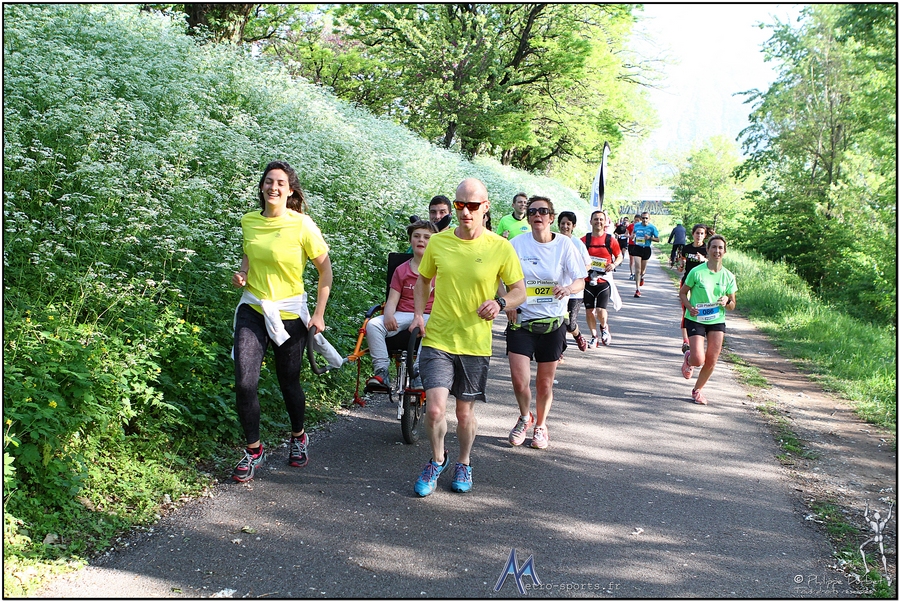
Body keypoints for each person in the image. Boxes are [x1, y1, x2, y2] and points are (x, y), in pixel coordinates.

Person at [409, 178, 525, 497]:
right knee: (434, 410)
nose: (465, 211)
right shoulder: (439, 242)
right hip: (438, 339)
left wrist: (500, 303)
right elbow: (423, 282)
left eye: (473, 205)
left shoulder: (500, 247)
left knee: (464, 414)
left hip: (474, 343)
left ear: (485, 207)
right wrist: (418, 314)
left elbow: (519, 291)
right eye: (460, 204)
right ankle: (437, 459)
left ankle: (464, 461)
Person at [230, 160, 333, 482]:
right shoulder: (249, 221)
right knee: (245, 382)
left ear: (290, 191)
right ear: (262, 186)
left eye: (280, 183)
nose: (273, 187)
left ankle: (299, 435)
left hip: (289, 314)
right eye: (269, 181)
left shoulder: (302, 225)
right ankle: (254, 449)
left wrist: (318, 314)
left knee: (289, 382)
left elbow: (325, 271)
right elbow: (250, 253)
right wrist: (243, 272)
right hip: (254, 307)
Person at [506, 197, 587, 449]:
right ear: (528, 217)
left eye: (543, 211)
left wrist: (568, 289)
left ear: (551, 217)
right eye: (532, 211)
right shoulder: (516, 244)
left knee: (544, 384)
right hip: (521, 320)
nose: (537, 215)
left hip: (552, 323)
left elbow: (580, 279)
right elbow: (499, 276)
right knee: (519, 381)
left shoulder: (564, 244)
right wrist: (508, 302)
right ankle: (524, 417)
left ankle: (541, 425)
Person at [365, 220, 438, 389]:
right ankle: (382, 370)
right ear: (410, 240)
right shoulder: (401, 270)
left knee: (434, 325)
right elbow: (392, 300)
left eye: (427, 237)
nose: (421, 240)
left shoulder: (439, 270)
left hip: (429, 315)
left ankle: (418, 372)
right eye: (416, 236)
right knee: (373, 325)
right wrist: (388, 315)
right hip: (403, 313)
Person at [679, 234, 737, 405]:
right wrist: (689, 307)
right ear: (707, 249)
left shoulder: (728, 276)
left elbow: (733, 304)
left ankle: (697, 390)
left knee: (712, 359)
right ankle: (689, 358)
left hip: (716, 320)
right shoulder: (697, 272)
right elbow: (683, 293)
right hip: (696, 318)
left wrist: (727, 301)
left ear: (724, 251)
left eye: (720, 248)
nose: (717, 251)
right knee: (698, 359)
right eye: (714, 247)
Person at [580, 211, 623, 347]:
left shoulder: (610, 240)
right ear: (591, 221)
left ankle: (604, 327)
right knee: (589, 311)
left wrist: (613, 265)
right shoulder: (584, 240)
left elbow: (619, 256)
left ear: (605, 223)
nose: (598, 222)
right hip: (587, 281)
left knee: (600, 310)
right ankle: (594, 336)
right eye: (595, 219)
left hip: (604, 281)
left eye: (601, 219)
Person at [557, 211, 590, 353]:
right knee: (558, 322)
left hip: (575, 292)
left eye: (568, 224)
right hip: (558, 289)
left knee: (570, 324)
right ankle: (559, 351)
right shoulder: (554, 240)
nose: (565, 226)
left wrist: (576, 274)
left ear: (573, 226)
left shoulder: (578, 243)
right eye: (562, 223)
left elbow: (588, 264)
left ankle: (578, 336)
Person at [676, 224, 709, 352]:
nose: (699, 236)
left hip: (702, 284)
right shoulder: (687, 248)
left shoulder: (707, 249)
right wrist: (681, 265)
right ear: (693, 234)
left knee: (700, 309)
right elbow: (682, 260)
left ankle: (699, 339)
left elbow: (714, 265)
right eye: (697, 233)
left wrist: (704, 260)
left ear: (705, 235)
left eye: (702, 233)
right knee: (686, 310)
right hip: (687, 282)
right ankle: (686, 341)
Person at [630, 211, 659, 297]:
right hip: (637, 248)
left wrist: (650, 238)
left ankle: (642, 277)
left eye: (646, 218)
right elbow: (633, 234)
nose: (644, 220)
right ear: (641, 218)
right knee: (637, 270)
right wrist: (633, 236)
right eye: (643, 218)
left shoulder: (652, 227)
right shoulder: (637, 225)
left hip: (646, 249)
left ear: (649, 219)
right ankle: (637, 289)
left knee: (642, 271)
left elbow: (658, 239)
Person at [626, 213, 640, 280]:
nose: (636, 222)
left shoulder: (642, 227)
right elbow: (625, 234)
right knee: (631, 260)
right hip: (631, 244)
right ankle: (631, 274)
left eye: (638, 220)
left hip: (638, 245)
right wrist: (630, 236)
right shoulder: (630, 226)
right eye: (635, 220)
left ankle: (637, 274)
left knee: (637, 261)